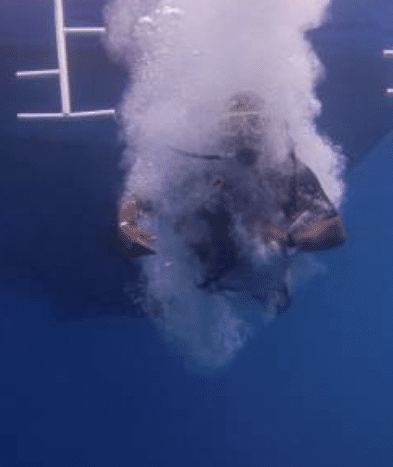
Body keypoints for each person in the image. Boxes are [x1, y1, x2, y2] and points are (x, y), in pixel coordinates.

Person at [117, 92, 345, 315]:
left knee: (269, 289)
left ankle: (269, 291)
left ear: (267, 127)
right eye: (234, 127)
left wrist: (288, 238)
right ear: (222, 130)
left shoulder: (286, 171)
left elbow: (333, 228)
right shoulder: (202, 166)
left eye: (253, 124)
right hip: (207, 275)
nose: (244, 135)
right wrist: (127, 223)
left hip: (258, 273)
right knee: (192, 204)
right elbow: (144, 194)